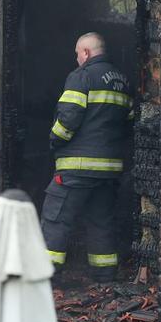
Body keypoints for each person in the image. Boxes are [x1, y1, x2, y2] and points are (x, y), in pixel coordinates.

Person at [40, 31, 134, 282]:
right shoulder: (122, 81)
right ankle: (105, 275)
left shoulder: (82, 76)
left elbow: (68, 117)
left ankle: (44, 275)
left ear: (87, 52)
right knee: (101, 220)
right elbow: (129, 123)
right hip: (110, 169)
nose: (77, 59)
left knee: (56, 217)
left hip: (77, 167)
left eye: (77, 54)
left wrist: (54, 140)